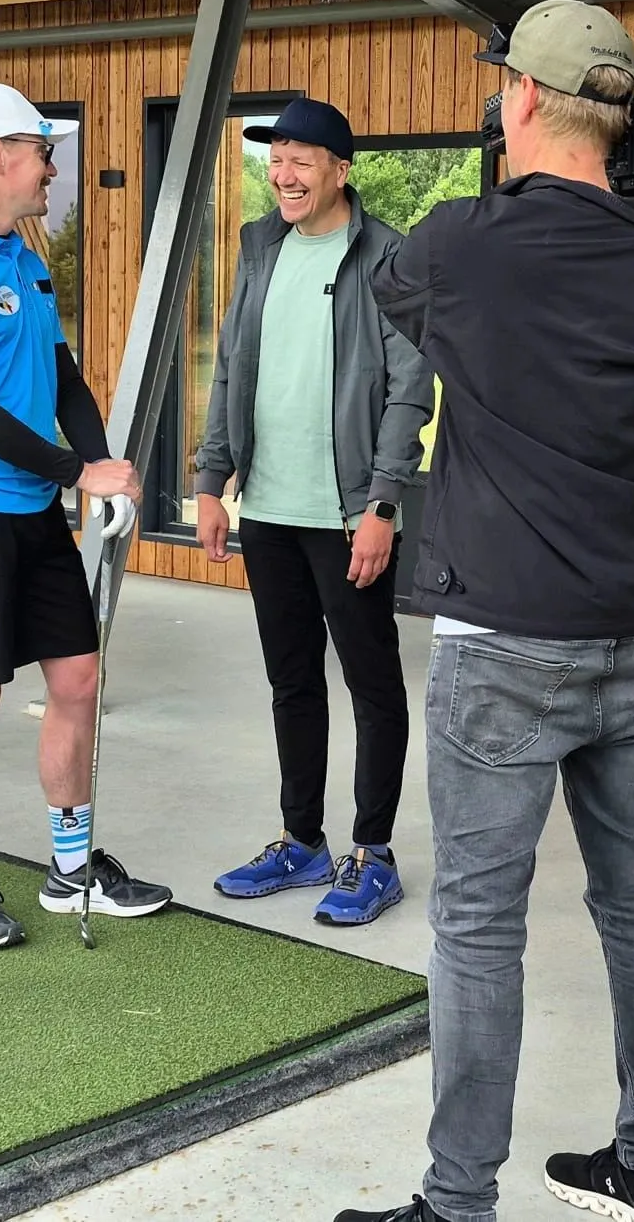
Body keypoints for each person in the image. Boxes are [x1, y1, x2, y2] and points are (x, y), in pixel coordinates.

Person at [335, 0, 634, 1222]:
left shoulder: (458, 246)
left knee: (474, 923)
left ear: (515, 104)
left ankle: (458, 1202)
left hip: (503, 644)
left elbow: (397, 294)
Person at [0, 81, 170, 952]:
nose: (54, 167)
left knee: (79, 680)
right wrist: (78, 471)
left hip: (32, 513)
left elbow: (65, 380)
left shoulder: (26, 257)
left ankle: (70, 866)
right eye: (43, 151)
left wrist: (107, 472)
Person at [193, 97, 434, 927]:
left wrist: (381, 503)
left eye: (301, 158)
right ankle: (302, 841)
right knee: (290, 680)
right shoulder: (260, 246)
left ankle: (375, 852)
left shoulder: (387, 254)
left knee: (372, 683)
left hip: (346, 514)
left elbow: (412, 386)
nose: (283, 173)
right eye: (275, 157)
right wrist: (210, 479)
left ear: (340, 168)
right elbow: (231, 361)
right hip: (266, 506)